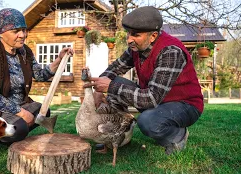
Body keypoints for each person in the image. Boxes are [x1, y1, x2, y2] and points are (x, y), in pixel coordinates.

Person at [84, 6, 203, 155]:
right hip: (157, 99)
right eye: (128, 33)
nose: (129, 39)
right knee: (115, 83)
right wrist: (98, 88)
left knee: (148, 121)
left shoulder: (170, 51)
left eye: (135, 35)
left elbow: (151, 99)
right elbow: (115, 68)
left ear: (152, 36)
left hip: (185, 105)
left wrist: (111, 86)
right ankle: (117, 136)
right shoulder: (136, 47)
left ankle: (178, 136)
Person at [0, 8, 73, 145]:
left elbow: (40, 75)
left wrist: (59, 59)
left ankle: (11, 128)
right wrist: (22, 113)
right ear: (1, 34)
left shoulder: (24, 52)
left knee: (43, 112)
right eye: (15, 31)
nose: (22, 35)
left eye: (24, 30)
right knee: (20, 129)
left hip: (17, 106)